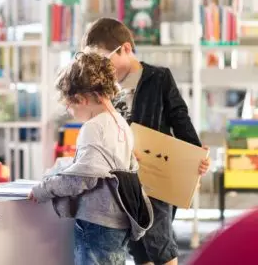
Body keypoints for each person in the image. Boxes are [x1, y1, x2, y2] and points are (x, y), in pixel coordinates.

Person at [81, 17, 211, 265]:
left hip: (156, 174)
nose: (103, 68)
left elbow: (179, 117)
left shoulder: (158, 78)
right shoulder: (104, 88)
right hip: (123, 177)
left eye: (106, 60)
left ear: (126, 49)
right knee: (137, 245)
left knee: (159, 239)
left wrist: (195, 155)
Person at [29, 52, 153, 265]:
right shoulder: (120, 123)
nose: (70, 111)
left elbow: (81, 180)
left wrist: (43, 189)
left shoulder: (94, 128)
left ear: (82, 99)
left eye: (69, 105)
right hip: (118, 222)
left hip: (97, 224)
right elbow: (100, 167)